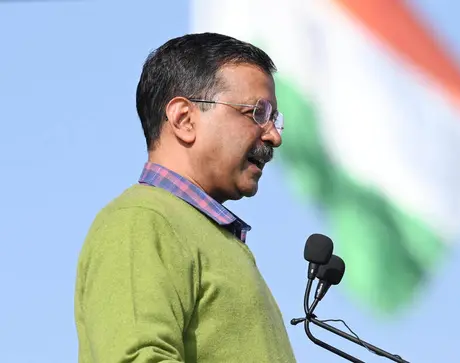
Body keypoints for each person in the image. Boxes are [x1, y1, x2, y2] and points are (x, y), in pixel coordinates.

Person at [74, 32, 296, 363]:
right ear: (184, 119)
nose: (273, 136)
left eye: (274, 118)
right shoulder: (141, 219)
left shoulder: (205, 234)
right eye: (257, 113)